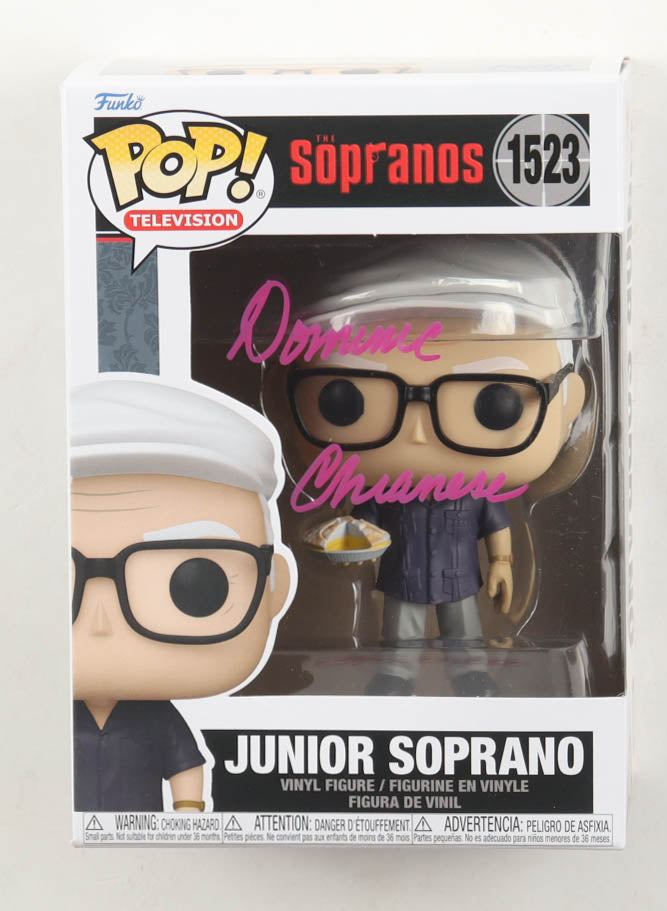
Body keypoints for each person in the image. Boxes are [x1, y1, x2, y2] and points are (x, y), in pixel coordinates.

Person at [288, 237, 586, 695]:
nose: (418, 433)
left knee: (463, 629)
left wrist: (502, 564)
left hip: (459, 577)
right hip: (403, 576)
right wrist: (340, 546)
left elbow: (496, 526)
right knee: (401, 630)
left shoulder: (475, 493)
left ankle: (469, 675)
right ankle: (395, 676)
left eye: (495, 403)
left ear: (569, 405)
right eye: (345, 401)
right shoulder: (383, 495)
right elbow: (361, 527)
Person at [70, 378, 293, 810]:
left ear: (274, 588)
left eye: (197, 585)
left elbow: (185, 765)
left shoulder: (154, 716)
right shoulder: (45, 719)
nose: (100, 622)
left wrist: (188, 811)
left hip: (143, 837)